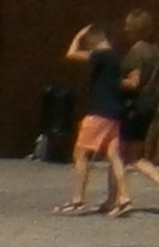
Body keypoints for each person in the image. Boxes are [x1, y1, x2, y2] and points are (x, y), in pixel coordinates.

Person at [57, 24, 133, 216]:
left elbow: (71, 54)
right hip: (115, 113)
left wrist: (78, 35)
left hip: (99, 112)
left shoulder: (102, 55)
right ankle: (124, 199)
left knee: (80, 153)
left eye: (88, 43)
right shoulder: (116, 57)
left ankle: (77, 200)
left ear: (93, 41)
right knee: (114, 156)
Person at [118, 8, 159, 205]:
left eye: (128, 27)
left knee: (127, 156)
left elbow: (134, 82)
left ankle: (118, 199)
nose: (124, 30)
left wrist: (111, 81)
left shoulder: (137, 50)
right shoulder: (154, 49)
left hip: (135, 106)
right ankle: (117, 198)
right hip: (150, 105)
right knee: (126, 154)